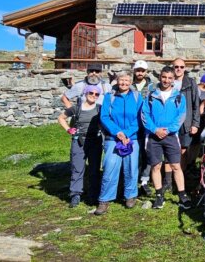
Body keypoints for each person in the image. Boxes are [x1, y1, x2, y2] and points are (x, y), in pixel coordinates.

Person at [141, 66, 191, 210]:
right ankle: (159, 196)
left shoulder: (179, 96)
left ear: (173, 79)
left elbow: (181, 116)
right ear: (160, 77)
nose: (166, 80)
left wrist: (168, 130)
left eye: (170, 78)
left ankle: (182, 195)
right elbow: (145, 114)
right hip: (153, 136)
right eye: (164, 77)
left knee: (175, 165)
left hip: (170, 135)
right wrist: (154, 129)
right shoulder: (151, 96)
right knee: (156, 166)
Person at [95, 72, 143, 215]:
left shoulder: (136, 97)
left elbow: (140, 118)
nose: (124, 83)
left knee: (131, 167)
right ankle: (104, 199)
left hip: (131, 138)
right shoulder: (109, 97)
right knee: (109, 167)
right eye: (121, 80)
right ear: (117, 81)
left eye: (127, 80)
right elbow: (104, 116)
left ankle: (130, 196)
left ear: (131, 82)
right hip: (113, 138)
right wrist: (117, 132)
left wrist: (127, 133)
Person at [57, 84, 104, 207]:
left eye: (96, 94)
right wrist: (69, 129)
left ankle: (93, 195)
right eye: (91, 93)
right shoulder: (76, 108)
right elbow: (61, 118)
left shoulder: (100, 109)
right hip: (79, 141)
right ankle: (75, 195)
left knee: (94, 169)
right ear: (86, 94)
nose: (93, 96)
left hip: (95, 141)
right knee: (77, 168)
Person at [163, 59, 201, 192]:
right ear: (172, 68)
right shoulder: (166, 82)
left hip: (186, 122)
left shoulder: (190, 83)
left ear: (185, 68)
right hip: (169, 122)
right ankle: (167, 181)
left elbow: (196, 103)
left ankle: (179, 178)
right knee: (168, 150)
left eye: (181, 67)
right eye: (176, 67)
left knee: (183, 151)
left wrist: (195, 123)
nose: (179, 69)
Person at [131, 60, 156, 196]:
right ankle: (131, 179)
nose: (140, 72)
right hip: (131, 124)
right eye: (138, 70)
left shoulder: (153, 87)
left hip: (147, 124)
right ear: (134, 71)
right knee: (133, 153)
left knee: (147, 153)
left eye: (142, 70)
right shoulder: (128, 85)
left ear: (146, 72)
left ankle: (144, 181)